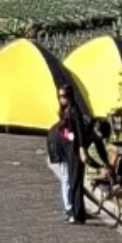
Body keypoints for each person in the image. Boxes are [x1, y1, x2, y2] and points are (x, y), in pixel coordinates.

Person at [45, 86, 93, 223]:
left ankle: (77, 214)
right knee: (72, 181)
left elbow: (79, 132)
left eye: (64, 96)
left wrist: (82, 149)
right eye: (60, 97)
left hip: (74, 150)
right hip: (67, 149)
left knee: (75, 182)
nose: (62, 99)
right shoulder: (65, 111)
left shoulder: (74, 111)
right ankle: (77, 212)